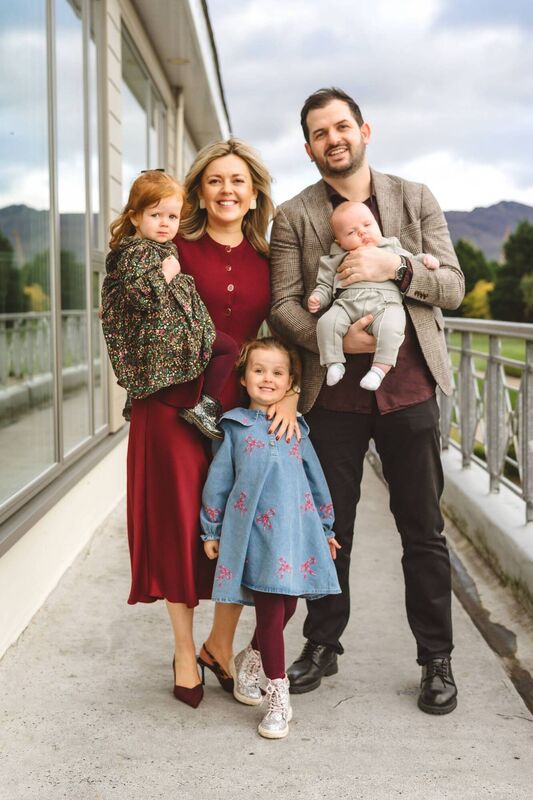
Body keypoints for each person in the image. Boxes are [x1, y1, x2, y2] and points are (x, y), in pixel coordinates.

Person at [269, 87, 465, 715]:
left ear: (364, 130)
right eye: (321, 133)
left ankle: (437, 659)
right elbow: (282, 306)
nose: (335, 139)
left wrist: (394, 268)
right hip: (334, 401)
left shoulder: (415, 198)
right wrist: (337, 336)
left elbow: (453, 286)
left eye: (343, 126)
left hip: (410, 391)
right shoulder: (293, 216)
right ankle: (323, 644)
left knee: (424, 532)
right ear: (308, 148)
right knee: (330, 529)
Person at [200, 337, 341, 738]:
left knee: (288, 608)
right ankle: (278, 696)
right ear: (244, 378)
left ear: (290, 382)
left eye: (278, 373)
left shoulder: (297, 428)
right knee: (269, 610)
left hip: (295, 533)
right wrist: (211, 529)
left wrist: (326, 528)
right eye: (259, 370)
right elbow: (219, 482)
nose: (268, 378)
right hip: (257, 534)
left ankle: (252, 657)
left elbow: (316, 480)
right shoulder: (235, 428)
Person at [101, 170, 239, 441]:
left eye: (172, 217)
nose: (165, 223)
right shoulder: (140, 251)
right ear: (135, 217)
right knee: (227, 349)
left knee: (218, 351)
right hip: (165, 338)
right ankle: (204, 405)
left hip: (165, 336)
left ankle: (154, 394)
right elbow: (138, 296)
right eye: (156, 215)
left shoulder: (159, 248)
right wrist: (167, 274)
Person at [308, 200, 439, 391]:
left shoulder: (391, 248)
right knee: (326, 323)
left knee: (392, 327)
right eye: (351, 232)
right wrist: (318, 297)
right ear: (339, 242)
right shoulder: (335, 259)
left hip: (385, 305)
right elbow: (325, 284)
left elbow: (410, 261)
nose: (362, 232)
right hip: (346, 305)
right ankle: (334, 363)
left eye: (367, 225)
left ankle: (378, 370)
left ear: (377, 225)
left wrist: (424, 260)